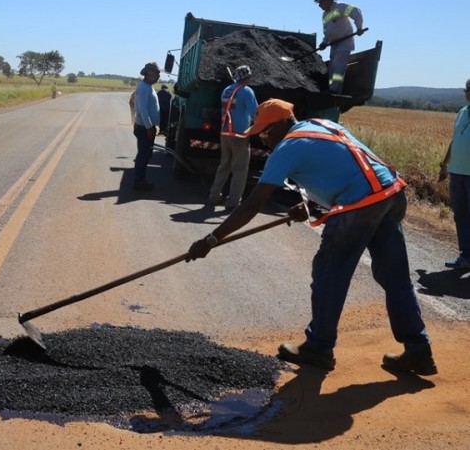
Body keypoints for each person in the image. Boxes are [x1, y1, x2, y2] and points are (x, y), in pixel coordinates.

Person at [187, 98, 436, 376]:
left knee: (330, 272)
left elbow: (252, 204)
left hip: (361, 205)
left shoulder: (288, 148)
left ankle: (319, 346)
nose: (263, 141)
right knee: (395, 276)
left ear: (282, 124)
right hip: (391, 194)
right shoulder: (322, 125)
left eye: (265, 133)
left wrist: (212, 239)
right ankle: (418, 350)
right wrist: (310, 206)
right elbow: (347, 170)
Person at [208, 65, 258, 209]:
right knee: (240, 169)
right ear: (247, 77)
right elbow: (255, 113)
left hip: (225, 134)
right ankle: (233, 202)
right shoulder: (247, 91)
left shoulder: (226, 90)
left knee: (224, 166)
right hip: (239, 135)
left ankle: (214, 196)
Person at [439, 79, 470, 269]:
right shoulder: (462, 112)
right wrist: (444, 164)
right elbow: (454, 141)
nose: (467, 93)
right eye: (467, 90)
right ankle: (466, 256)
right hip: (457, 172)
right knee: (461, 215)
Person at [314, 0, 365, 93]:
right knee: (332, 68)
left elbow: (356, 11)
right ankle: (331, 88)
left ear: (328, 1)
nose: (319, 5)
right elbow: (327, 31)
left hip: (344, 43)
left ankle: (334, 90)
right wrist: (324, 42)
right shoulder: (325, 15)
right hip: (334, 45)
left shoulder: (339, 7)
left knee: (338, 67)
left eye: (321, 2)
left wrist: (359, 27)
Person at [132, 62, 161, 191]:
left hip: (146, 127)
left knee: (145, 154)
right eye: (156, 73)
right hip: (144, 128)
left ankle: (140, 180)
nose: (158, 76)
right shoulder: (144, 88)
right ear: (148, 73)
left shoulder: (148, 87)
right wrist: (149, 127)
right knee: (143, 155)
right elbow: (143, 110)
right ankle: (138, 182)